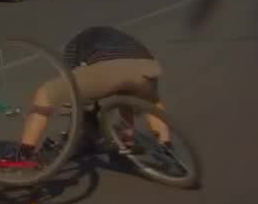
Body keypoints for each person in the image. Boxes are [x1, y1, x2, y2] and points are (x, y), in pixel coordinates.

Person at [16, 25, 171, 160]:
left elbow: (76, 88)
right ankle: (165, 145)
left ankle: (25, 155)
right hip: (147, 66)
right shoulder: (120, 36)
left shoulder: (73, 46)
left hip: (109, 68)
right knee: (148, 102)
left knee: (44, 93)